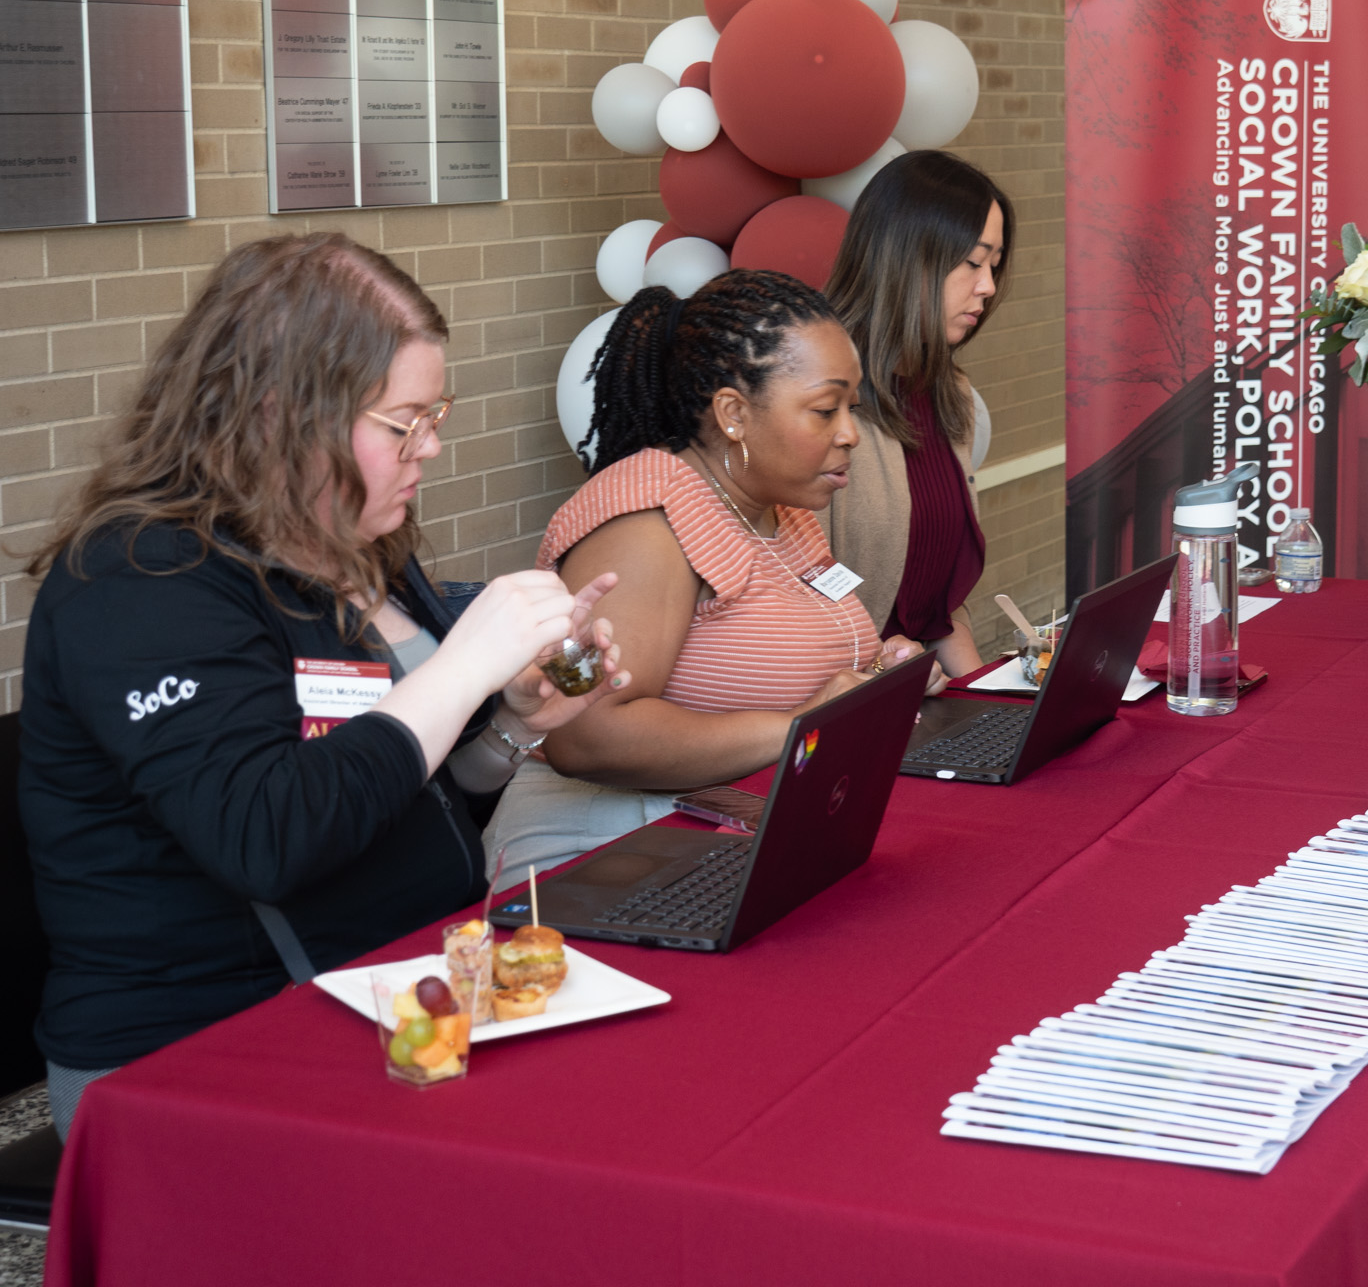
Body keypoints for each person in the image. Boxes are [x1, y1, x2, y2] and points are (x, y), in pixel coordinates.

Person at [19, 234, 626, 1139]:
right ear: (279, 412)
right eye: (403, 423)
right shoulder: (140, 579)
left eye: (437, 414)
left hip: (386, 993)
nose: (430, 450)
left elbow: (387, 799)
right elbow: (265, 837)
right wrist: (461, 670)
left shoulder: (349, 543)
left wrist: (507, 727)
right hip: (195, 1049)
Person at [488, 271, 928, 873]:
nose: (850, 434)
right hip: (601, 850)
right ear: (733, 414)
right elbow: (585, 734)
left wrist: (878, 676)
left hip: (722, 823)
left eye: (852, 408)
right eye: (825, 410)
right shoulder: (646, 519)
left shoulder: (780, 511)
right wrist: (805, 726)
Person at [822, 150, 1014, 681]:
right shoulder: (815, 398)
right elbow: (795, 596)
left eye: (993, 266)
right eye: (973, 262)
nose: (988, 287)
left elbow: (937, 610)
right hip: (833, 707)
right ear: (906, 255)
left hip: (911, 691)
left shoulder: (948, 392)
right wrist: (886, 668)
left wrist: (983, 698)